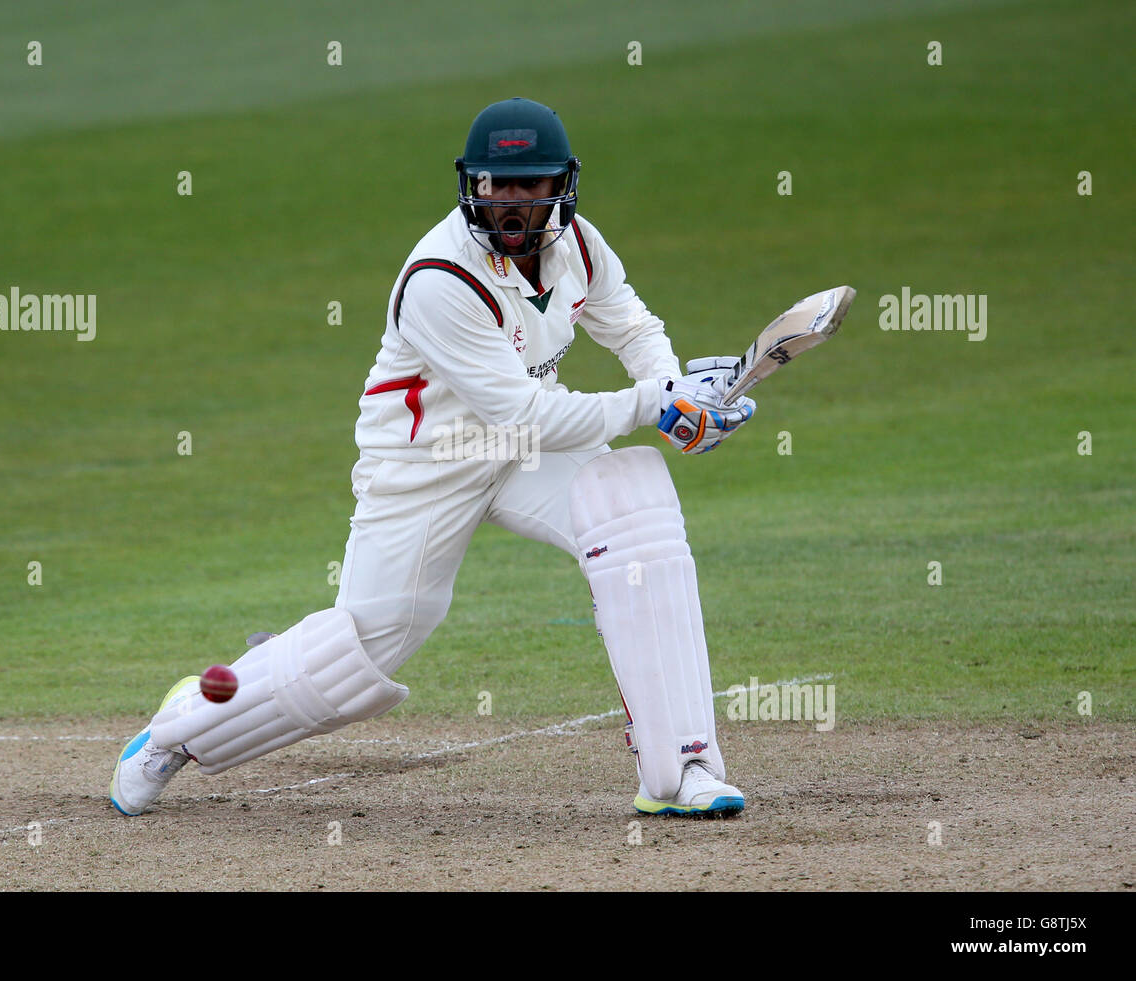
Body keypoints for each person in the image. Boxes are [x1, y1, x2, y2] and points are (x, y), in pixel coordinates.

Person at [110, 97, 756, 818]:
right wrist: (654, 405)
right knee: (358, 656)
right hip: (426, 464)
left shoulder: (580, 246)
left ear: (560, 186)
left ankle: (683, 767)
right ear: (471, 185)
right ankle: (181, 726)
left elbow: (633, 326)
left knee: (634, 507)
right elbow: (525, 412)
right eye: (494, 185)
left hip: (521, 452)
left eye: (528, 184)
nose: (509, 202)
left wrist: (675, 395)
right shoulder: (440, 279)